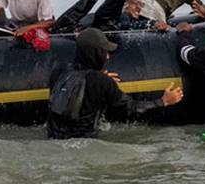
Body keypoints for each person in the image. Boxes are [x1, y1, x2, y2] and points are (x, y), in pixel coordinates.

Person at [47, 29, 183, 139]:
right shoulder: (101, 81)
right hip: (83, 141)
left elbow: (71, 93)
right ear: (96, 53)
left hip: (53, 136)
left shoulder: (59, 71)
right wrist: (163, 101)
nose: (108, 56)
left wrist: (99, 80)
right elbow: (129, 108)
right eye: (105, 52)